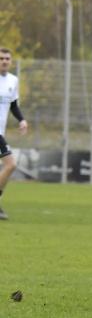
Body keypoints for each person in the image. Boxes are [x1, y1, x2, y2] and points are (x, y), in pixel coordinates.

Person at [0, 47, 29, 221]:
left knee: (10, 165)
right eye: (1, 58)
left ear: (11, 61)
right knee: (10, 164)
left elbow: (13, 105)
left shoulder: (13, 80)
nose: (4, 61)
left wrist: (22, 120)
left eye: (7, 59)